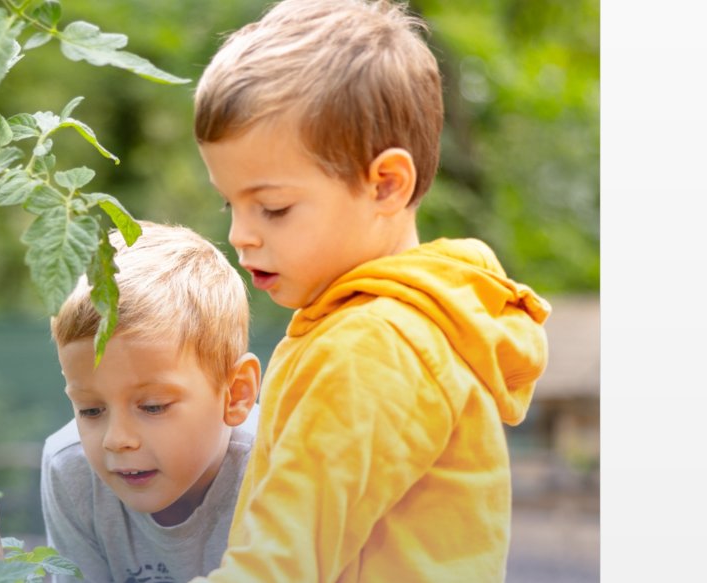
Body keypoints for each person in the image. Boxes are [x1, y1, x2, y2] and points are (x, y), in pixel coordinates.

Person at [189, 1, 551, 581]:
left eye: (273, 207)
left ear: (385, 184)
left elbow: (280, 562)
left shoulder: (372, 348)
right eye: (229, 203)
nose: (239, 235)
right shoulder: (402, 325)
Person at [40, 221, 262, 583]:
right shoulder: (70, 467)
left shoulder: (280, 466)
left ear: (236, 393)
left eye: (153, 406)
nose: (117, 439)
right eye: (91, 410)